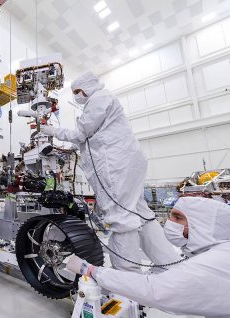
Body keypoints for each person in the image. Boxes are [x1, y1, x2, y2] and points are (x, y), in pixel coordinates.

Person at [41, 72, 179, 272]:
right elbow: (91, 137)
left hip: (115, 165)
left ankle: (127, 278)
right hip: (126, 162)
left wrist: (52, 131)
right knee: (140, 213)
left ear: (85, 88)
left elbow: (81, 134)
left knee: (120, 217)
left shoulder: (99, 99)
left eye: (77, 92)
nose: (76, 96)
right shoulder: (105, 100)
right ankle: (169, 264)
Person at [66, 197, 230, 318]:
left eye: (178, 218)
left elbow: (155, 290)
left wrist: (91, 271)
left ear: (201, 224)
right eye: (170, 216)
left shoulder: (215, 263)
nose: (169, 223)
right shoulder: (214, 251)